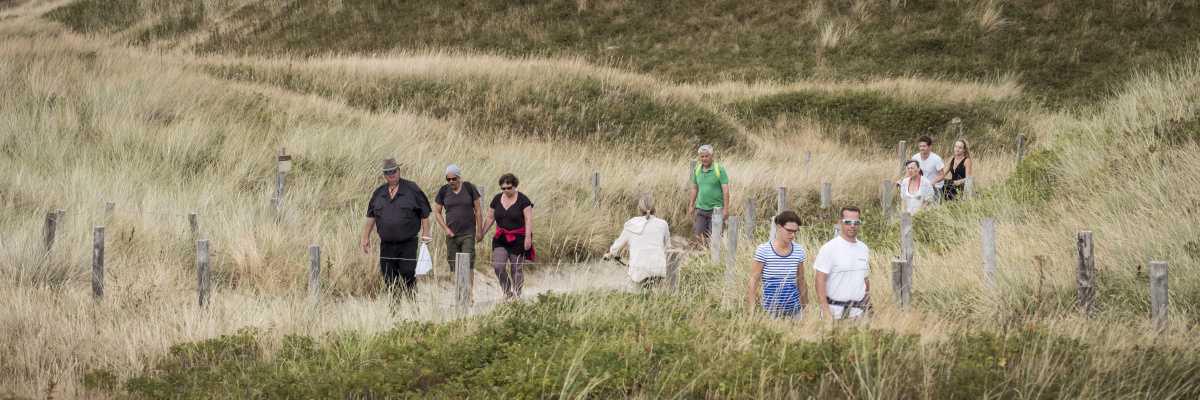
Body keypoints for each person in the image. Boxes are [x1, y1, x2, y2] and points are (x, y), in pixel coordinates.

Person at [360, 158, 432, 296]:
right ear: (384, 174)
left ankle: (412, 307)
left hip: (408, 243)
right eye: (388, 172)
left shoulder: (413, 189)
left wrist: (426, 233)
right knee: (388, 277)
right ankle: (394, 309)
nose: (391, 174)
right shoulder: (378, 193)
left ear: (399, 171)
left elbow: (425, 213)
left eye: (394, 171)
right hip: (386, 245)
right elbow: (371, 216)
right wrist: (365, 237)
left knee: (407, 274)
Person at [479, 173, 534, 300]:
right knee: (498, 266)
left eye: (509, 187)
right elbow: (490, 218)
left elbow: (529, 220)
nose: (506, 190)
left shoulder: (523, 200)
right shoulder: (497, 199)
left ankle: (517, 294)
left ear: (515, 186)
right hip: (501, 238)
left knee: (516, 269)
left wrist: (528, 238)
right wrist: (481, 233)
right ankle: (507, 291)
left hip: (518, 239)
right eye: (503, 188)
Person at [747, 211, 808, 319]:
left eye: (795, 231)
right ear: (779, 227)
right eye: (789, 231)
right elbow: (754, 280)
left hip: (795, 312)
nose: (793, 235)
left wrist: (805, 308)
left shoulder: (799, 250)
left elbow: (801, 280)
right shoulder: (763, 250)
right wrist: (752, 311)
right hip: (770, 313)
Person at [814, 207, 870, 320]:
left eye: (856, 222)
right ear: (840, 222)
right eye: (848, 222)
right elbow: (819, 280)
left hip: (858, 313)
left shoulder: (864, 248)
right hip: (834, 313)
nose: (852, 225)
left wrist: (868, 305)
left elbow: (865, 279)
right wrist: (825, 311)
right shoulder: (829, 248)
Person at [603, 194, 671, 285]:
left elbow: (616, 248)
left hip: (639, 272)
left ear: (639, 209)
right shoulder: (663, 224)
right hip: (659, 270)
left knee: (636, 287)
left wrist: (610, 253)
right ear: (654, 209)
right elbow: (668, 247)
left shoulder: (631, 224)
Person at [433, 164, 482, 273]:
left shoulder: (469, 188)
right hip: (451, 235)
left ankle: (468, 290)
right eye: (448, 179)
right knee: (454, 267)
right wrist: (446, 229)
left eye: (454, 178)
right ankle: (457, 289)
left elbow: (478, 210)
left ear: (459, 177)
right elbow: (437, 212)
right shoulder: (444, 190)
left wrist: (479, 231)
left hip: (468, 234)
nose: (451, 181)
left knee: (467, 266)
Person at [688, 144, 730, 245]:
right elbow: (694, 188)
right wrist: (691, 205)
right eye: (702, 156)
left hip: (716, 211)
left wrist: (726, 209)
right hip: (701, 210)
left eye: (706, 156)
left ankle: (714, 260)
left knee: (714, 239)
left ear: (712, 156)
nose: (704, 158)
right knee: (699, 238)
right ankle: (702, 258)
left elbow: (726, 191)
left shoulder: (719, 169)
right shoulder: (697, 170)